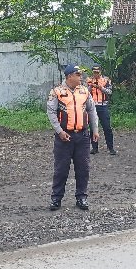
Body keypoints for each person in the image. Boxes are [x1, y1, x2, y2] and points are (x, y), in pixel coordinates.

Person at [46, 64, 99, 211]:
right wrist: (59, 131)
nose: (80, 77)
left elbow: (91, 110)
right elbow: (51, 113)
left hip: (82, 136)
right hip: (64, 137)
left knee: (83, 168)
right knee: (61, 169)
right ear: (69, 76)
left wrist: (95, 130)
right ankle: (56, 199)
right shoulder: (57, 92)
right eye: (78, 74)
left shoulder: (84, 91)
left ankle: (81, 197)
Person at [87, 65, 116, 155]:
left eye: (97, 72)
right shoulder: (88, 80)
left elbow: (110, 92)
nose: (96, 73)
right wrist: (90, 87)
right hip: (92, 107)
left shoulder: (106, 80)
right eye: (94, 72)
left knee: (107, 127)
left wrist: (100, 87)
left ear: (100, 71)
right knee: (93, 128)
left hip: (103, 106)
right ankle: (95, 148)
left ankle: (111, 148)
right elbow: (85, 92)